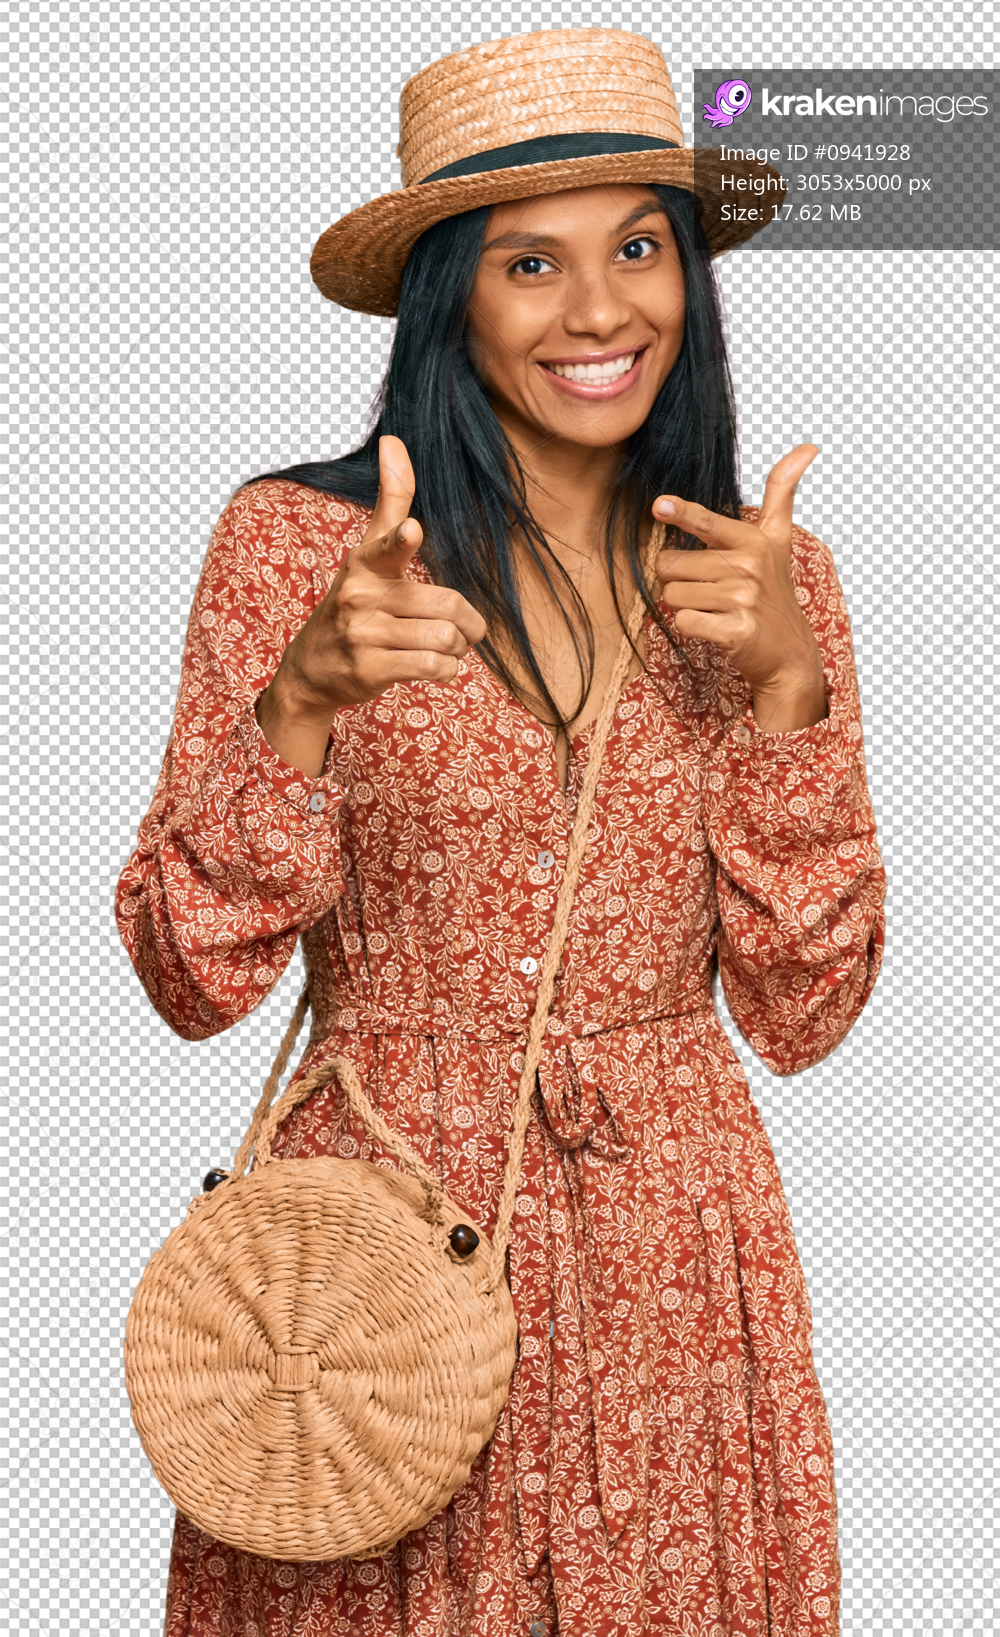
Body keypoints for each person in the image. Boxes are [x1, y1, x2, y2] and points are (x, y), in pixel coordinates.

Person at [116, 27, 886, 1637]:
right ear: (448, 290)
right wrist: (302, 702)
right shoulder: (296, 550)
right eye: (531, 261)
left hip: (677, 1267)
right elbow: (191, 981)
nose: (601, 310)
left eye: (639, 249)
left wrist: (787, 694)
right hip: (374, 1256)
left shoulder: (770, 585)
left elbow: (806, 1016)